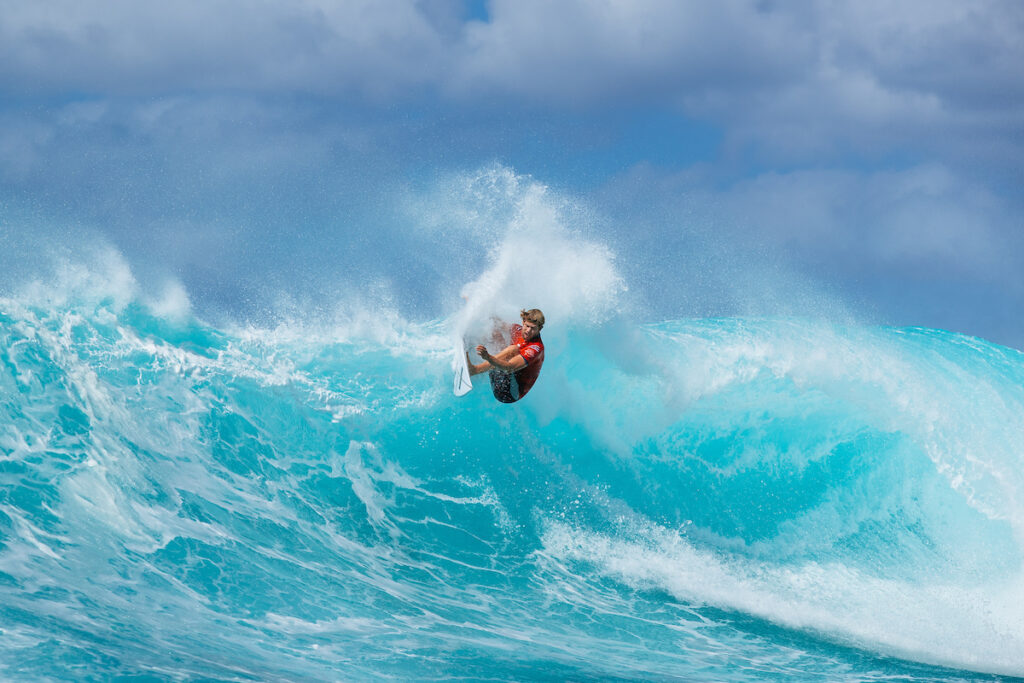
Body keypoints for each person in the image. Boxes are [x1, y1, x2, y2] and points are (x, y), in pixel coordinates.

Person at [469, 308, 545, 403]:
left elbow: (510, 367)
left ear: (540, 328)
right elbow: (498, 322)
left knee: (513, 349)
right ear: (523, 322)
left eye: (533, 328)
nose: (528, 331)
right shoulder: (518, 330)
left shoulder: (535, 349)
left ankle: (474, 370)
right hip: (501, 375)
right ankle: (471, 343)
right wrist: (478, 306)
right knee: (494, 331)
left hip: (509, 393)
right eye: (527, 326)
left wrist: (488, 357)